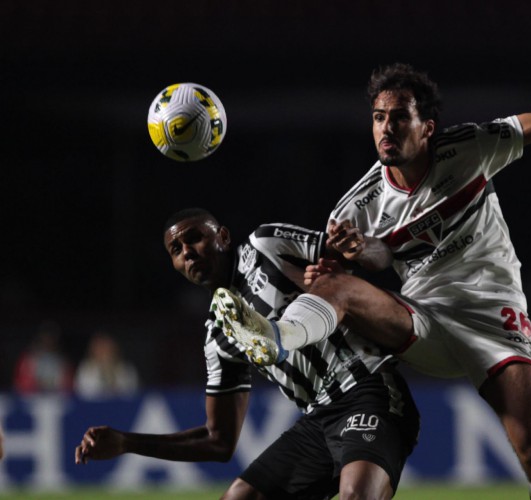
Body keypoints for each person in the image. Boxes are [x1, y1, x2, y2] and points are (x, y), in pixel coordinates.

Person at [213, 60, 531, 499]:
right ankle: (276, 339)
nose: (387, 128)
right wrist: (329, 268)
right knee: (332, 289)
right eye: (379, 117)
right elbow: (360, 264)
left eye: (399, 117)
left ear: (427, 127)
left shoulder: (471, 148)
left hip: (492, 314)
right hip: (421, 320)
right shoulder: (354, 207)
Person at [75, 208, 420, 500]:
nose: (187, 252)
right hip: (319, 419)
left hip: (368, 389)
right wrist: (125, 442)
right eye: (175, 249)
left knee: (355, 495)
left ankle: (279, 335)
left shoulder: (265, 244)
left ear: (223, 237)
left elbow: (352, 257)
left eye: (194, 237)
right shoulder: (217, 334)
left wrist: (353, 252)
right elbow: (219, 440)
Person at [13, 320, 74, 394]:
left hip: (56, 398)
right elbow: (20, 383)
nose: (48, 340)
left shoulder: (62, 361)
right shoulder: (29, 358)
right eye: (46, 336)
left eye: (52, 337)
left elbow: (68, 386)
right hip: (32, 398)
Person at [74, 331, 140, 399]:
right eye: (99, 347)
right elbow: (85, 394)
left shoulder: (127, 369)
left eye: (106, 347)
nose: (103, 351)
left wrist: (111, 374)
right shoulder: (85, 369)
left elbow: (131, 394)